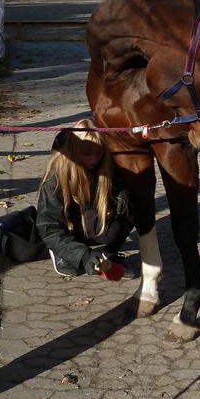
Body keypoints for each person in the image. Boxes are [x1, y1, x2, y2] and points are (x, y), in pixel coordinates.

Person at [35, 119, 134, 280]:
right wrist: (83, 255)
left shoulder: (108, 165)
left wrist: (124, 197)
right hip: (68, 226)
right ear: (74, 151)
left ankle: (108, 255)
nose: (93, 160)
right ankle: (64, 253)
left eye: (99, 153)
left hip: (92, 218)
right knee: (70, 251)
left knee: (133, 201)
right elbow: (48, 226)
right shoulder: (56, 176)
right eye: (87, 154)